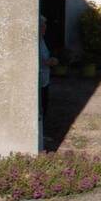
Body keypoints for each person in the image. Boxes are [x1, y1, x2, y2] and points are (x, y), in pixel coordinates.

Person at [38, 15, 58, 152]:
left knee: (45, 106)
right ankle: (39, 136)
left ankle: (42, 134)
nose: (44, 30)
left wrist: (51, 60)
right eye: (42, 27)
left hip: (45, 79)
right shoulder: (35, 42)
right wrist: (47, 62)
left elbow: (44, 57)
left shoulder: (42, 41)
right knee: (40, 107)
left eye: (45, 27)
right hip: (39, 80)